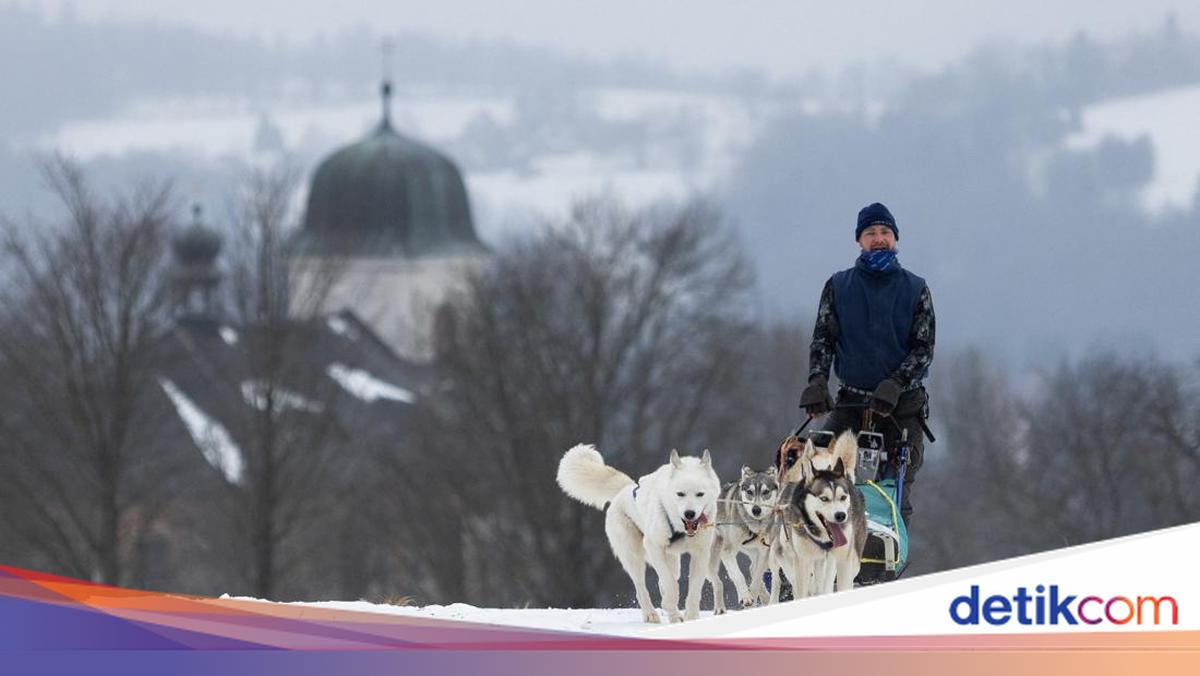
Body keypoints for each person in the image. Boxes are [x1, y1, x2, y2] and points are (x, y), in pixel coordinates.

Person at [799, 202, 935, 527]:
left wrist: (896, 383)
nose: (878, 238)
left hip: (902, 407)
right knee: (818, 470)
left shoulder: (916, 289)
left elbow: (923, 348)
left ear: (895, 238)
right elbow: (823, 340)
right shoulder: (838, 286)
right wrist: (818, 381)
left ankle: (887, 565)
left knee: (894, 489)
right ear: (859, 240)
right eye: (870, 232)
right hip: (852, 401)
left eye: (885, 232)